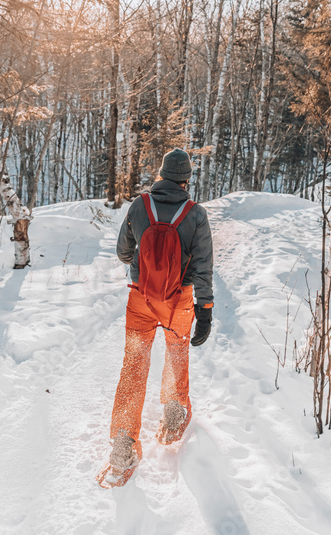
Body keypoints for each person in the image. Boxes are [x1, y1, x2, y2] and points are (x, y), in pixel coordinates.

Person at [97, 148, 214, 488]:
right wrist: (204, 312)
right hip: (179, 300)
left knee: (134, 365)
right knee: (176, 352)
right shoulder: (196, 214)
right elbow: (203, 269)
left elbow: (123, 251)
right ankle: (174, 414)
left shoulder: (139, 205)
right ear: (186, 180)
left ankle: (122, 446)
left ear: (162, 175)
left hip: (141, 297)